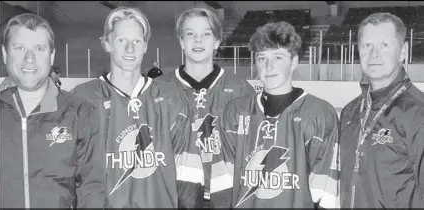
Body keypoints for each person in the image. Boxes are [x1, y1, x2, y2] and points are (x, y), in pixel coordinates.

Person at [70, 7, 203, 208]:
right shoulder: (83, 99)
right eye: (122, 40)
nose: (130, 49)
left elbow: (189, 176)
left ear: (145, 46)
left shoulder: (172, 98)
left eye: (137, 41)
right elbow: (68, 173)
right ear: (107, 43)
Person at [210, 21, 341, 208]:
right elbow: (222, 184)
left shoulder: (320, 114)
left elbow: (327, 192)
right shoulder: (235, 112)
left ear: (294, 61)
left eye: (278, 57)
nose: (269, 66)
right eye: (262, 58)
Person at [0, 13, 105, 208]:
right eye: (20, 48)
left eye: (39, 49)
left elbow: (92, 190)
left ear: (51, 55)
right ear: (5, 54)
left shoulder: (81, 113)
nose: (29, 58)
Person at [156, 7, 256, 208]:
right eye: (190, 34)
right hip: (171, 200)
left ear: (217, 41)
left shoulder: (242, 90)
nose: (198, 40)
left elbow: (251, 153)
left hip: (226, 201)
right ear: (181, 41)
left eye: (206, 34)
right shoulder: (157, 90)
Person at [340, 13, 424, 208]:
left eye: (384, 45)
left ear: (403, 51)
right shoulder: (349, 113)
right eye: (367, 45)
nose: (374, 54)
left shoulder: (418, 114)